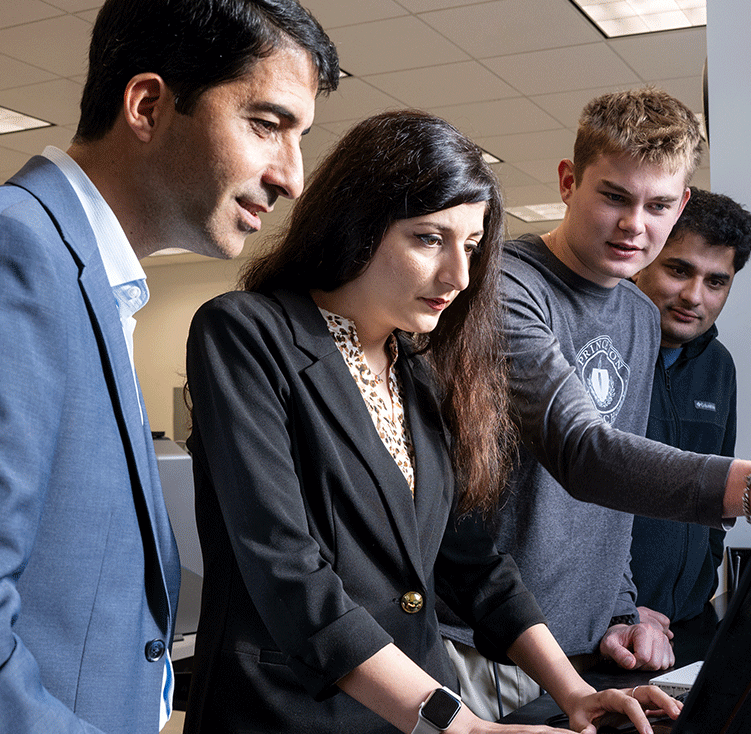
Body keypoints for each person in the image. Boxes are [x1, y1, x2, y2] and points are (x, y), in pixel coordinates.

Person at [0, 0, 338, 734]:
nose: (293, 175)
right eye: (267, 125)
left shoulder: (83, 279)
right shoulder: (2, 256)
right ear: (147, 105)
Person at [183, 110, 679, 734]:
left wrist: (575, 691)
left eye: (470, 246)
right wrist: (466, 726)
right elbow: (288, 571)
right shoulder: (246, 334)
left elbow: (473, 563)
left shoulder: (420, 365)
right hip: (290, 713)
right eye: (428, 239)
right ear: (355, 224)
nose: (460, 276)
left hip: (412, 715)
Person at [440, 87, 751, 719]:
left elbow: (611, 506)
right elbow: (582, 451)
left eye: (659, 205)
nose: (634, 225)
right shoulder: (503, 285)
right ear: (569, 181)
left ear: (682, 206)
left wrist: (619, 606)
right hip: (486, 647)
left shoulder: (640, 316)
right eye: (614, 195)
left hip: (591, 654)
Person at [629, 187, 751, 663]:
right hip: (603, 630)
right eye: (678, 270)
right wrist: (617, 607)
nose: (693, 296)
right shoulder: (598, 350)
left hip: (686, 623)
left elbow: (716, 493)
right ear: (643, 260)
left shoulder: (719, 367)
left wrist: (703, 571)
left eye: (716, 281)